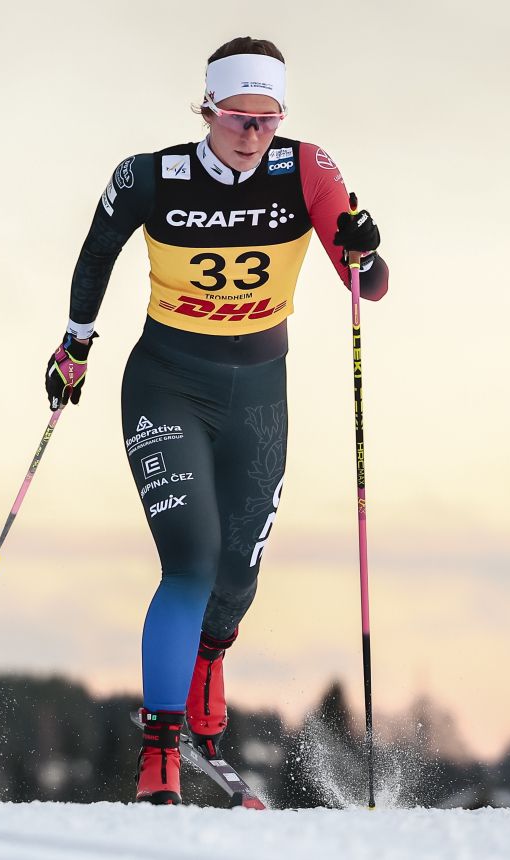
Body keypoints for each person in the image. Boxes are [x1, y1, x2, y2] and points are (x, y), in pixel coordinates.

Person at [43, 37, 389, 804]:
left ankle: (208, 663)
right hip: (168, 382)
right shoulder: (150, 176)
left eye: (268, 118)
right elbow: (97, 251)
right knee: (192, 559)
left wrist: (365, 251)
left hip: (260, 395)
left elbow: (368, 280)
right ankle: (160, 755)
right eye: (237, 116)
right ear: (207, 109)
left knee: (237, 575)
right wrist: (75, 346)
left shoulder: (307, 169)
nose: (252, 133)